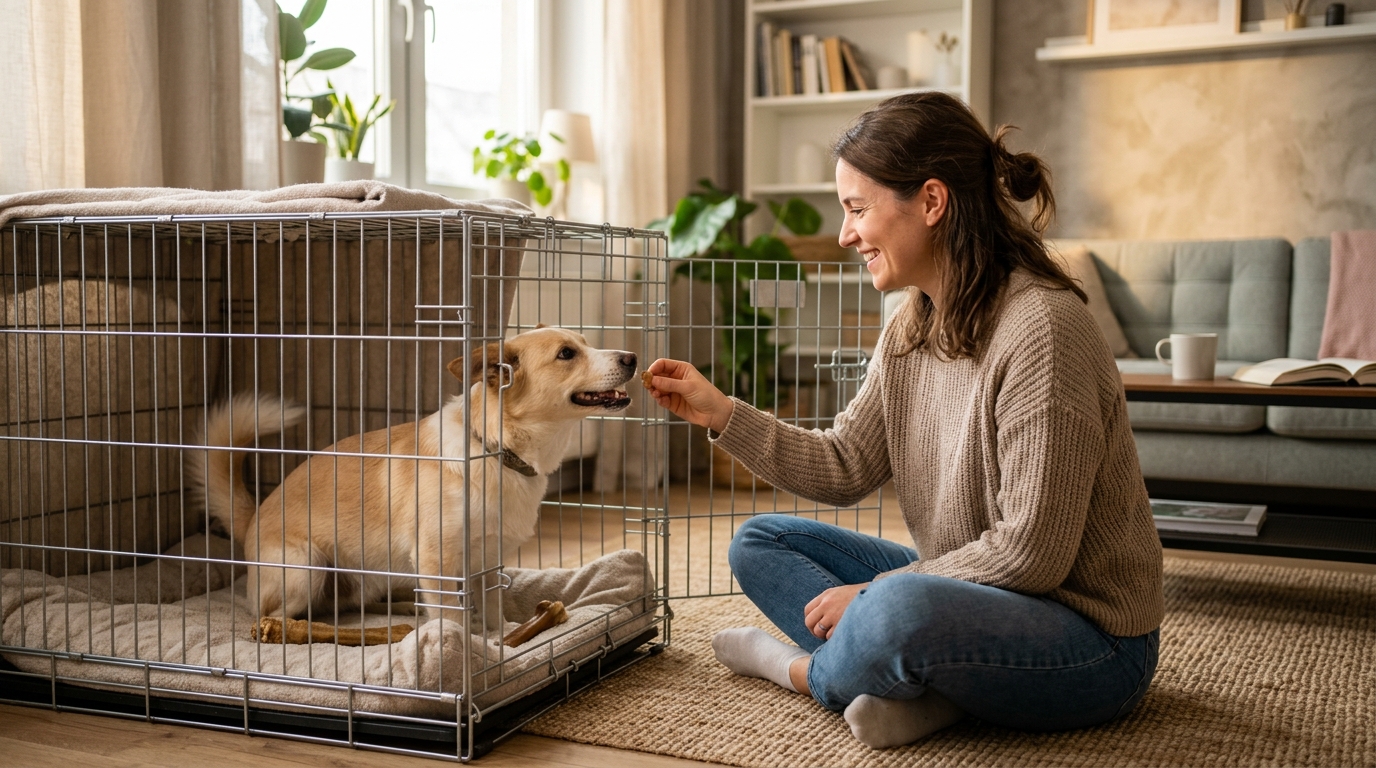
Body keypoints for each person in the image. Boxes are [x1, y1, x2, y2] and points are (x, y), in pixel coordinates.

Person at [643, 91, 1164, 749]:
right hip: (967, 593)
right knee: (761, 541)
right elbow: (845, 465)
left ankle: (805, 672)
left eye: (858, 209)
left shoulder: (1044, 330)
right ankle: (926, 688)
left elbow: (1032, 555)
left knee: (896, 606)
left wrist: (872, 593)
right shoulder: (912, 324)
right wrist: (721, 413)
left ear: (932, 202)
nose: (844, 233)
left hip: (1092, 640)